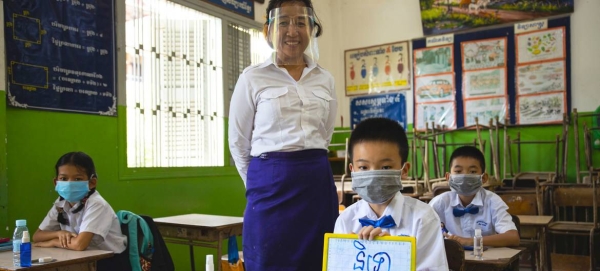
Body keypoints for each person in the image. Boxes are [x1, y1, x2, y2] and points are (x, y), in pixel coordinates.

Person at [227, 0, 338, 270]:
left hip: (317, 187)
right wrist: (261, 184)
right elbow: (238, 143)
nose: (292, 30)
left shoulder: (326, 79)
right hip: (269, 192)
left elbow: (325, 135)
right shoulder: (252, 78)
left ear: (312, 29)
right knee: (268, 261)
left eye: (301, 22)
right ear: (268, 30)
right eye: (284, 22)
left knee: (319, 260)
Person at [334, 118, 448, 271]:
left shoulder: (423, 219)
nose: (373, 175)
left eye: (386, 167)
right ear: (352, 170)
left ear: (404, 170)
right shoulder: (345, 220)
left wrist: (394, 257)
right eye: (363, 167)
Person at [32, 152, 129, 270]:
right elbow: (37, 236)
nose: (70, 184)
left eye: (77, 179)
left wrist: (53, 242)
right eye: (63, 178)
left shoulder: (97, 204)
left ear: (92, 182)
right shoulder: (61, 203)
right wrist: (59, 234)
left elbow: (79, 244)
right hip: (80, 258)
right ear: (56, 183)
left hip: (109, 262)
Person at [429, 146, 520, 247]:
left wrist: (469, 241)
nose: (464, 176)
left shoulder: (492, 201)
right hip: (451, 260)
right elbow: (421, 233)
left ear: (484, 178)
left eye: (472, 172)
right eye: (458, 171)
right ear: (448, 177)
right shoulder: (439, 203)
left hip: (485, 260)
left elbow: (513, 237)